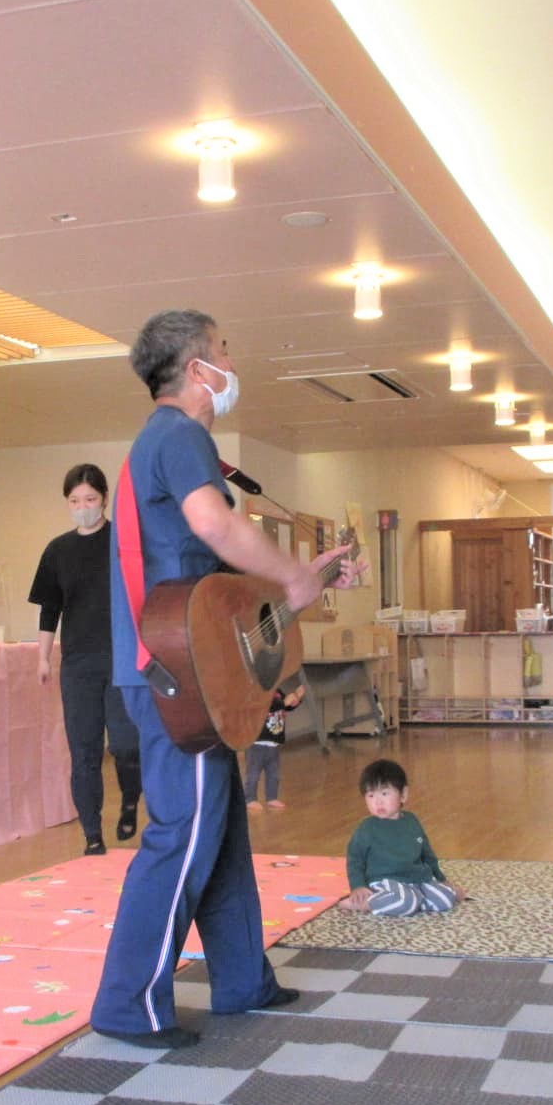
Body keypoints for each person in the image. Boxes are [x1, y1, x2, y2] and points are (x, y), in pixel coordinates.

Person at [92, 309, 353, 1049]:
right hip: (175, 677)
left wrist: (301, 578)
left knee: (221, 827)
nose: (233, 365)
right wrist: (295, 577)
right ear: (197, 368)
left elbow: (211, 581)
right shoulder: (180, 436)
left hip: (187, 667)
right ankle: (127, 1005)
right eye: (225, 352)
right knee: (183, 832)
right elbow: (215, 525)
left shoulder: (162, 442)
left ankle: (242, 980)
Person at [30, 463, 141, 856]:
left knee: (126, 744)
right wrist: (44, 657)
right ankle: (92, 835)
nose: (82, 507)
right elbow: (50, 609)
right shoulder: (57, 551)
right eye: (75, 501)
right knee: (84, 751)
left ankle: (130, 799)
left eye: (90, 499)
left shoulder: (122, 542)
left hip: (122, 659)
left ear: (104, 499)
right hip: (78, 664)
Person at [345, 758, 458, 916]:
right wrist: (358, 886)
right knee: (405, 902)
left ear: (403, 794)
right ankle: (365, 904)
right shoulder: (367, 828)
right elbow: (355, 860)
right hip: (385, 882)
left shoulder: (412, 821)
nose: (378, 801)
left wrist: (441, 879)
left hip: (417, 880)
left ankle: (414, 901)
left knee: (445, 899)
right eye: (371, 795)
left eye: (384, 793)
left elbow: (427, 855)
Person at [244, 680, 306, 812]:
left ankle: (272, 797)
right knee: (253, 773)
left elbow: (286, 706)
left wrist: (296, 699)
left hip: (273, 743)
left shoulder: (277, 692)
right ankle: (250, 799)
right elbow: (265, 706)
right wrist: (284, 703)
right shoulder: (256, 691)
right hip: (257, 743)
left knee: (274, 773)